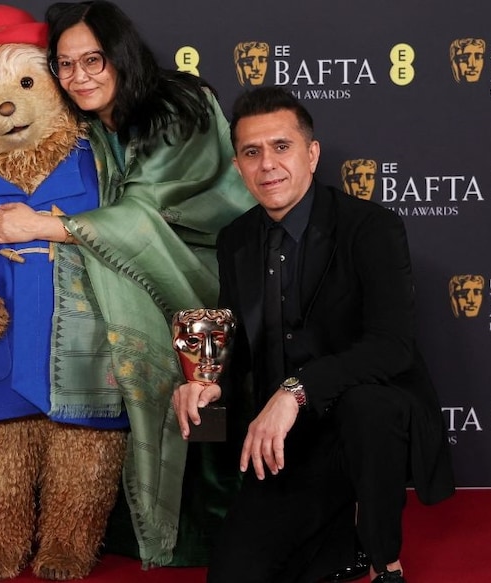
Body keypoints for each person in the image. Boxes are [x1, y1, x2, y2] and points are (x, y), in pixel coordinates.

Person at [0, 0, 255, 567]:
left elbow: (144, 214)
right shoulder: (87, 129)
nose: (79, 76)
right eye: (65, 64)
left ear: (120, 55)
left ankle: (194, 531)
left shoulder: (170, 112)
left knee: (183, 425)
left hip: (171, 288)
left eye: (93, 60)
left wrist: (41, 226)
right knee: (49, 426)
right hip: (82, 296)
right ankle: (120, 525)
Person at [172, 87, 455, 583]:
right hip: (290, 442)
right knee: (234, 575)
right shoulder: (236, 239)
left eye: (281, 146)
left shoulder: (371, 227)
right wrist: (207, 383)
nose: (267, 165)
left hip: (363, 426)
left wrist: (295, 390)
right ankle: (339, 533)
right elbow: (240, 343)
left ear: (312, 153)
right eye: (252, 152)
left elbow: (391, 347)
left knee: (367, 405)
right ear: (238, 166)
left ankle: (384, 558)